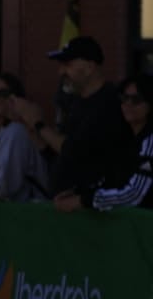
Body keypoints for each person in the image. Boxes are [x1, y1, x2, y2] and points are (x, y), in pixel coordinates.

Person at [13, 36, 136, 200]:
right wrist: (38, 138)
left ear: (90, 67)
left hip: (94, 212)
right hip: (65, 206)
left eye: (67, 65)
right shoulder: (77, 102)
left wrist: (39, 124)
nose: (61, 72)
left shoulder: (110, 102)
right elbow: (64, 155)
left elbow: (76, 151)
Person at [55, 73, 153, 212]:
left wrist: (83, 201)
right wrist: (80, 192)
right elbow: (112, 180)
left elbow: (135, 194)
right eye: (124, 98)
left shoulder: (150, 140)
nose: (128, 104)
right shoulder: (125, 140)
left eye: (136, 99)